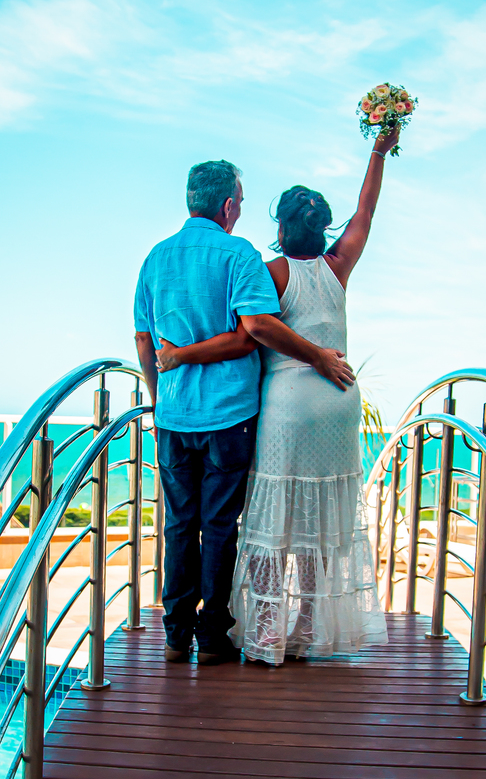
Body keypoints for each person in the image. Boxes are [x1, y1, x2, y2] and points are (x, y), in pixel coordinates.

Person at [155, 125, 395, 665]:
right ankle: (307, 626)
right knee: (318, 521)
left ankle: (265, 630)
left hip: (285, 410)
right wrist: (378, 151)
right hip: (338, 404)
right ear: (322, 229)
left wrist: (178, 360)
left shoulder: (268, 272)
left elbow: (253, 326)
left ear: (281, 230)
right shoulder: (339, 267)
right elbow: (366, 211)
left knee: (272, 517)